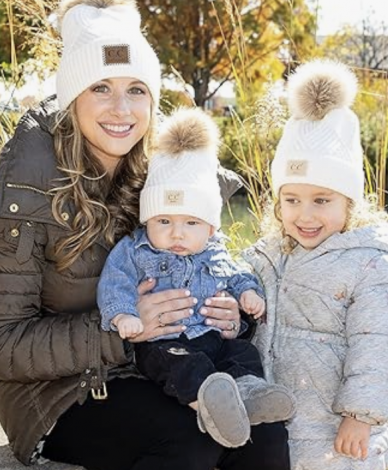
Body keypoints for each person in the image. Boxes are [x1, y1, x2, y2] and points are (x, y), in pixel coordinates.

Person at [0, 0, 291, 470]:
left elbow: (206, 257)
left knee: (259, 426)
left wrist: (228, 313)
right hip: (56, 392)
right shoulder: (23, 188)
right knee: (190, 440)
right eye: (100, 87)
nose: (121, 108)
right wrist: (120, 329)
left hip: (158, 364)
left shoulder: (161, 171)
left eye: (136, 89)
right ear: (72, 94)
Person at [243, 59, 388, 470]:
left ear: (349, 201)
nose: (305, 214)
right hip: (280, 424)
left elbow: (376, 344)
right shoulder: (268, 254)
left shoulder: (369, 260)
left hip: (336, 426)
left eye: (322, 200)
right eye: (291, 200)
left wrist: (360, 414)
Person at [97, 107, 295, 449]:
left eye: (191, 223)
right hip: (165, 341)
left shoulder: (216, 250)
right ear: (147, 221)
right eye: (164, 221)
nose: (177, 233)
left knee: (242, 355)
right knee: (184, 366)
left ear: (210, 227)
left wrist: (248, 294)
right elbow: (113, 282)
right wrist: (122, 314)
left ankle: (249, 392)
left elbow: (237, 273)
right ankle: (206, 405)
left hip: (212, 338)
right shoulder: (135, 249)